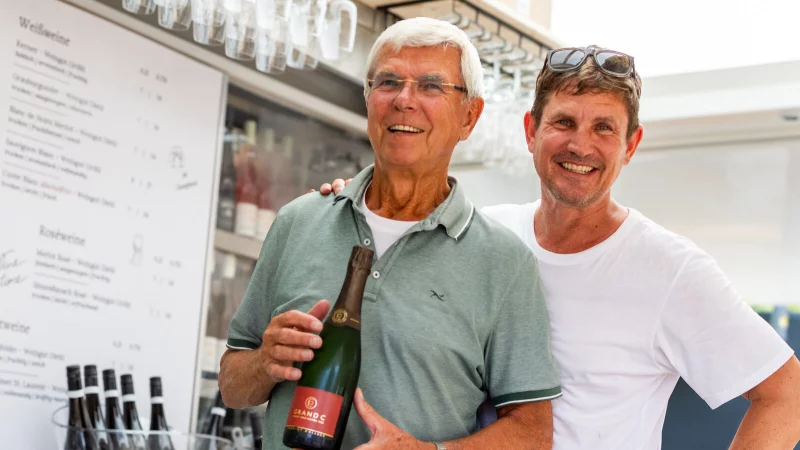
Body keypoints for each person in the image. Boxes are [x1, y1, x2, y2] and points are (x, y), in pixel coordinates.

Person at [319, 45, 800, 449]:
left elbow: (788, 392)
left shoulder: (672, 270)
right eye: (564, 122)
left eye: (604, 129)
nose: (580, 145)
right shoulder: (485, 234)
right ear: (531, 131)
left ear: (631, 146)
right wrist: (357, 205)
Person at [218, 17, 562, 450]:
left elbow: (533, 433)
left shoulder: (504, 263)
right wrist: (264, 363)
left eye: (432, 86)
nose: (404, 100)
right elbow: (233, 384)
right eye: (388, 82)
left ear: (469, 116)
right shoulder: (297, 221)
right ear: (368, 100)